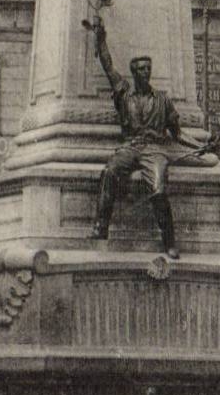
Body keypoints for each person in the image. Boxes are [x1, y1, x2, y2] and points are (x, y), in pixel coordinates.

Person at [90, 15, 211, 258]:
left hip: (154, 149)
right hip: (130, 147)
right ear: (134, 73)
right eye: (142, 70)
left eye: (148, 69)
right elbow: (107, 65)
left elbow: (178, 133)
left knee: (158, 188)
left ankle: (169, 241)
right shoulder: (124, 93)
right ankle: (101, 227)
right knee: (110, 172)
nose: (146, 73)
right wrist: (100, 37)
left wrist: (202, 146)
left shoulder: (163, 100)